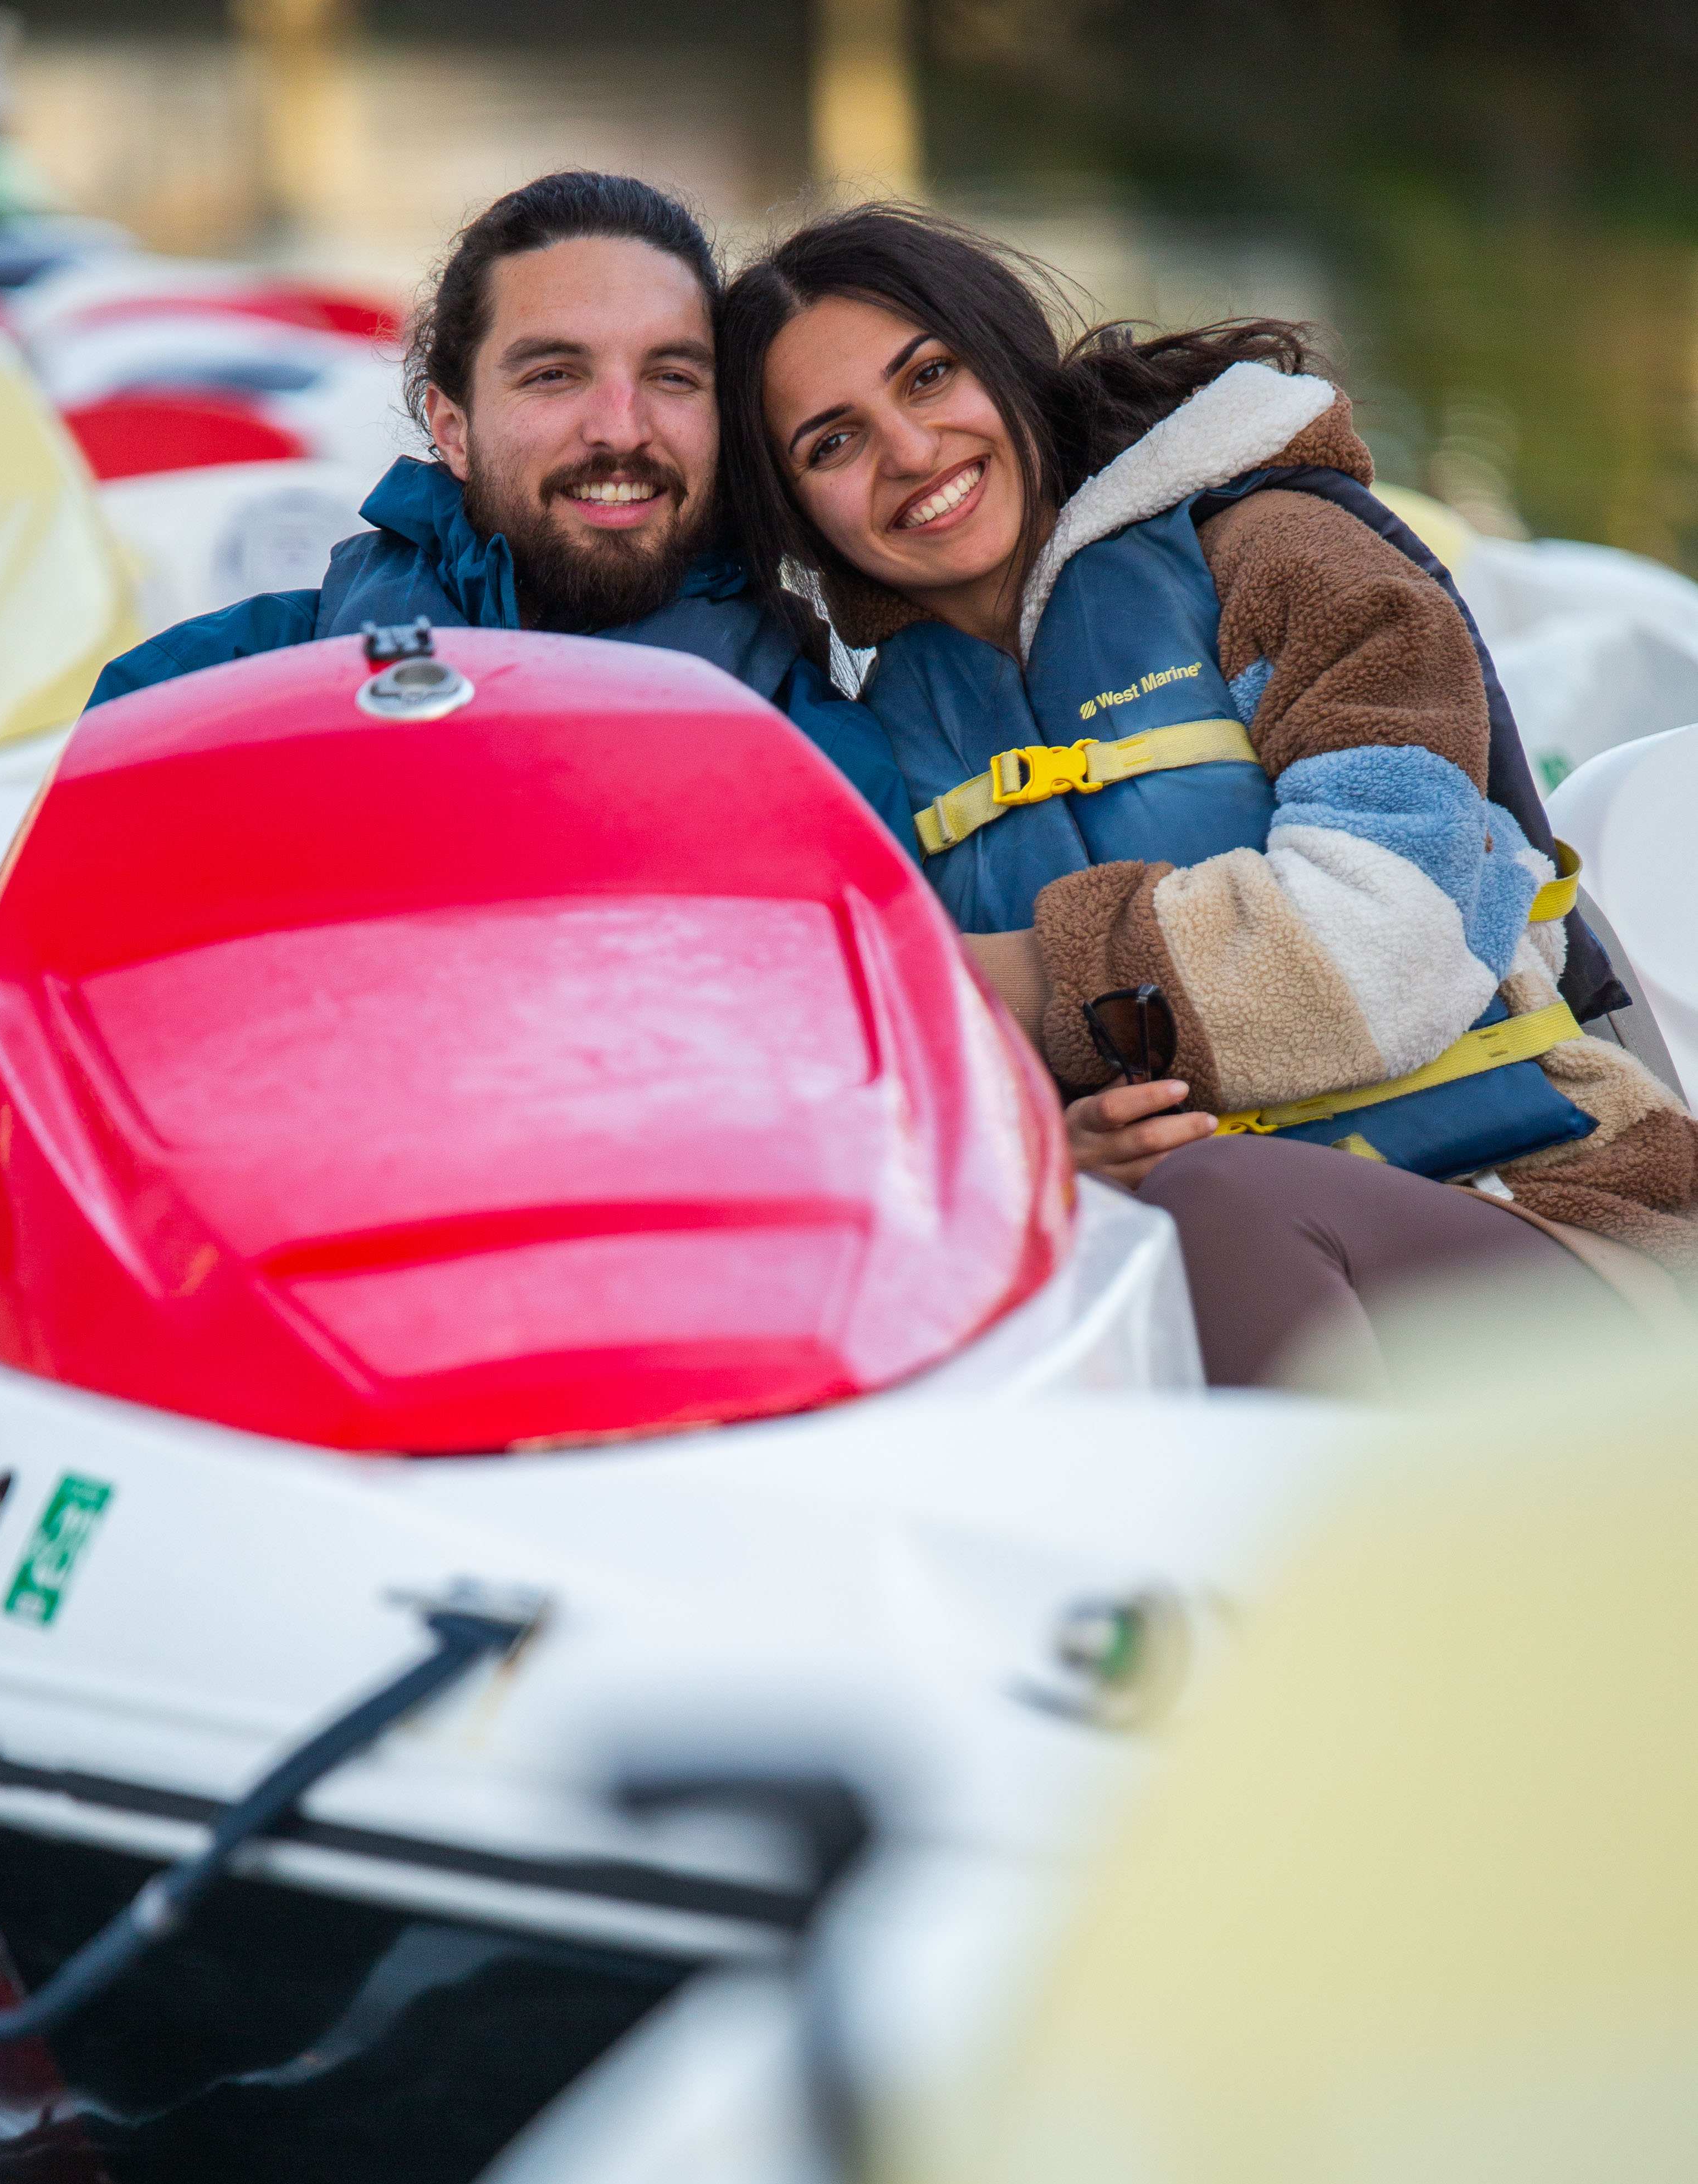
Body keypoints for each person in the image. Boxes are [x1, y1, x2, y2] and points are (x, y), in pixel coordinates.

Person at [718, 204, 1698, 1384]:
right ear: (794, 512)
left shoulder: (1279, 552)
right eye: (832, 443)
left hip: (1566, 1219)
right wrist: (1062, 1153)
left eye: (930, 376)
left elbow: (1400, 936)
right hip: (1207, 1260)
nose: (912, 452)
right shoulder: (874, 746)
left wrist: (1026, 979)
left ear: (1008, 357)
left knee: (1220, 1199)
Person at [87, 171, 914, 847]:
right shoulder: (201, 699)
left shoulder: (830, 771)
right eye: (554, 374)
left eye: (672, 376)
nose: (620, 430)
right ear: (453, 428)